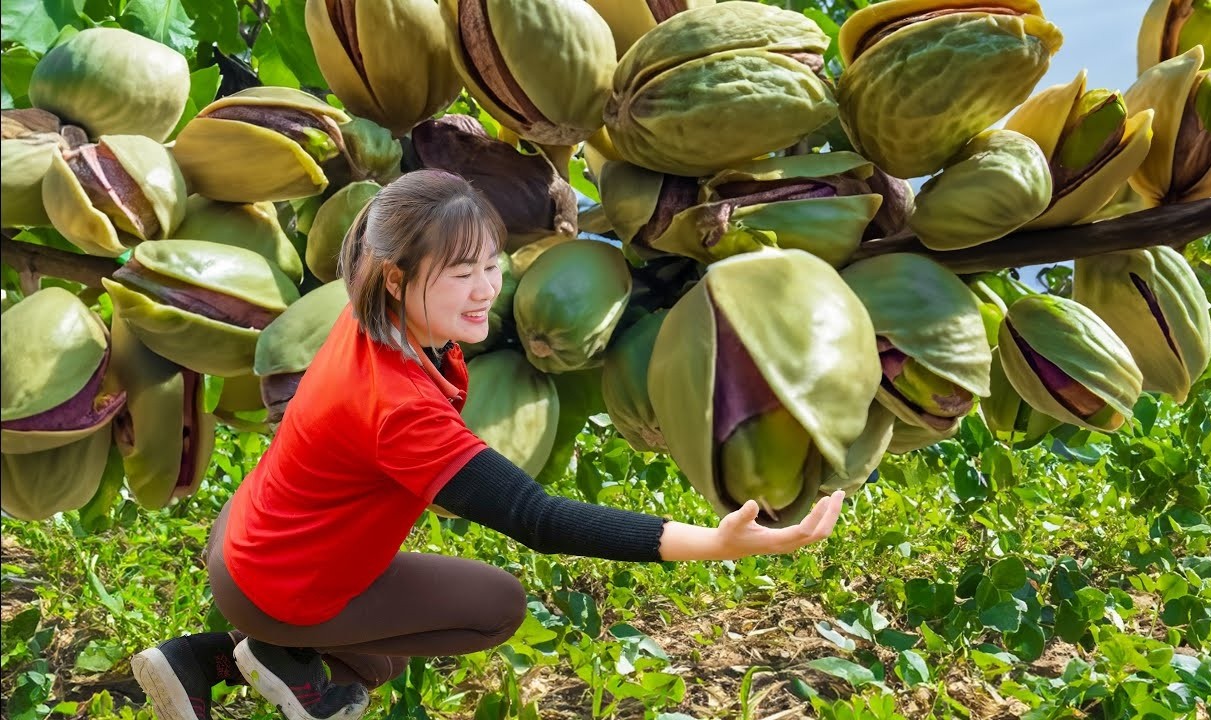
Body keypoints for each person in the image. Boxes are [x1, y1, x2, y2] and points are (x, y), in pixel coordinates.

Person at [129, 169, 847, 720]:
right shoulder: (400, 407)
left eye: (491, 264)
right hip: (279, 579)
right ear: (397, 275)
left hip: (249, 539)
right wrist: (714, 543)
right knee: (495, 606)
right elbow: (536, 520)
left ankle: (234, 652)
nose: (485, 290)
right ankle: (238, 652)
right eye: (460, 271)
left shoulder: (369, 316)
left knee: (372, 667)